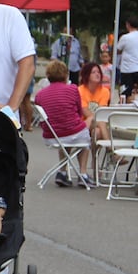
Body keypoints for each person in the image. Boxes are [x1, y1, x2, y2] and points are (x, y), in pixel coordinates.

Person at [35, 59, 93, 187]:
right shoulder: (72, 89)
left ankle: (62, 172)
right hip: (73, 133)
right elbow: (79, 112)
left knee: (64, 136)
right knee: (86, 127)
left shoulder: (40, 95)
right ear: (66, 75)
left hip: (52, 136)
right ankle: (83, 173)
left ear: (48, 76)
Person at [114, 16, 138, 98]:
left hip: (127, 69)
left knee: (125, 93)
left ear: (128, 25)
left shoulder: (125, 37)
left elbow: (117, 50)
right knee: (134, 92)